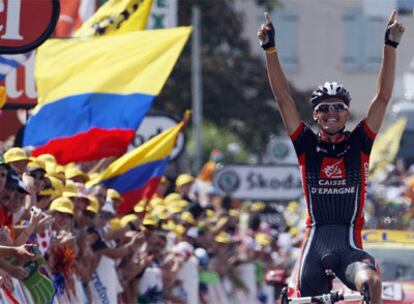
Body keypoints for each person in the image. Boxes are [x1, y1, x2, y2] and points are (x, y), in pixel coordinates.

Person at [257, 10, 405, 304]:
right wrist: (270, 49)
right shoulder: (306, 145)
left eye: (337, 106)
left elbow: (383, 97)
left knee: (372, 283)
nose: (331, 112)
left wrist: (390, 45)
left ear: (347, 113)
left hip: (349, 242)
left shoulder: (360, 143)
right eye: (324, 108)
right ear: (315, 115)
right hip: (315, 243)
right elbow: (283, 99)